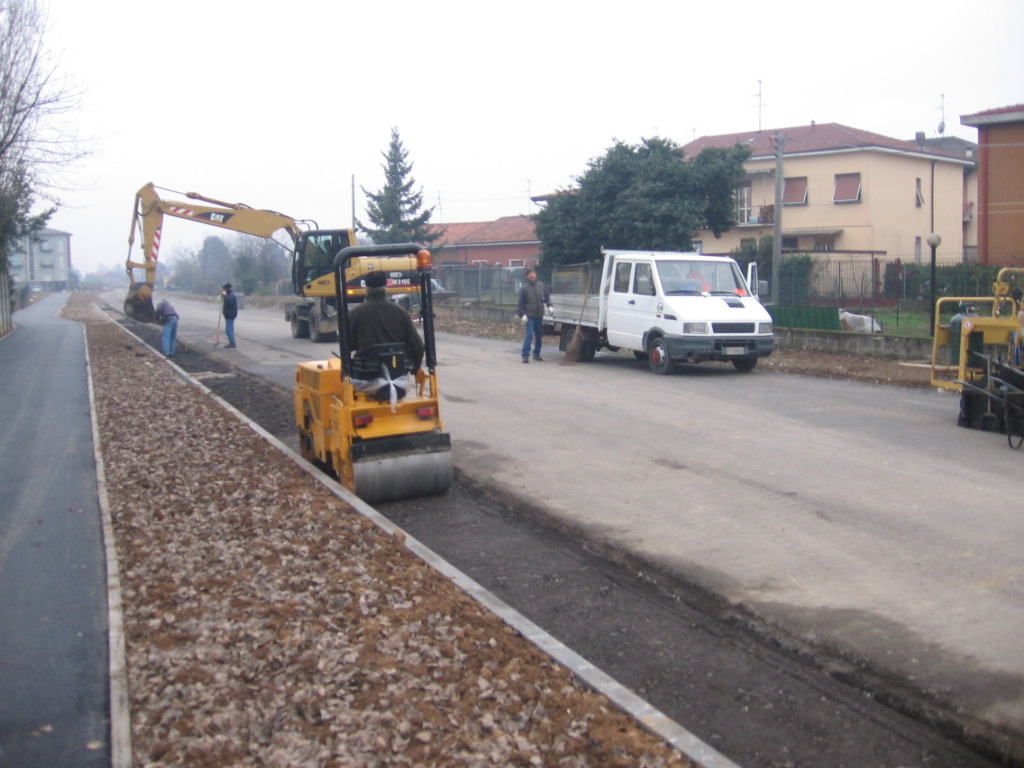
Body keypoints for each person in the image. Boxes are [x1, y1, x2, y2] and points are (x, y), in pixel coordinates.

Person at [349, 270, 425, 370]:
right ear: (386, 287)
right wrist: (416, 366)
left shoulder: (356, 313)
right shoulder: (400, 312)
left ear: (366, 288)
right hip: (397, 372)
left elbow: (348, 345)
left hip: (366, 373)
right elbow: (418, 346)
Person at [516, 266, 552, 363]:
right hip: (530, 316)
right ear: (527, 277)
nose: (532, 275)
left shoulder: (541, 286)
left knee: (539, 335)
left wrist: (550, 305)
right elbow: (520, 304)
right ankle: (525, 355)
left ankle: (536, 354)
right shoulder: (524, 289)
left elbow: (546, 297)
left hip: (539, 315)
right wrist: (522, 314)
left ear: (535, 274)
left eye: (533, 273)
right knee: (529, 335)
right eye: (529, 274)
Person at [220, 283, 238, 348]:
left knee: (228, 330)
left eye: (223, 289)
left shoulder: (231, 295)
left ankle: (232, 343)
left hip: (230, 315)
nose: (222, 290)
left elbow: (229, 302)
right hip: (229, 314)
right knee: (230, 329)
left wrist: (224, 296)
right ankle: (232, 342)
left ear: (226, 289)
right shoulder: (229, 295)